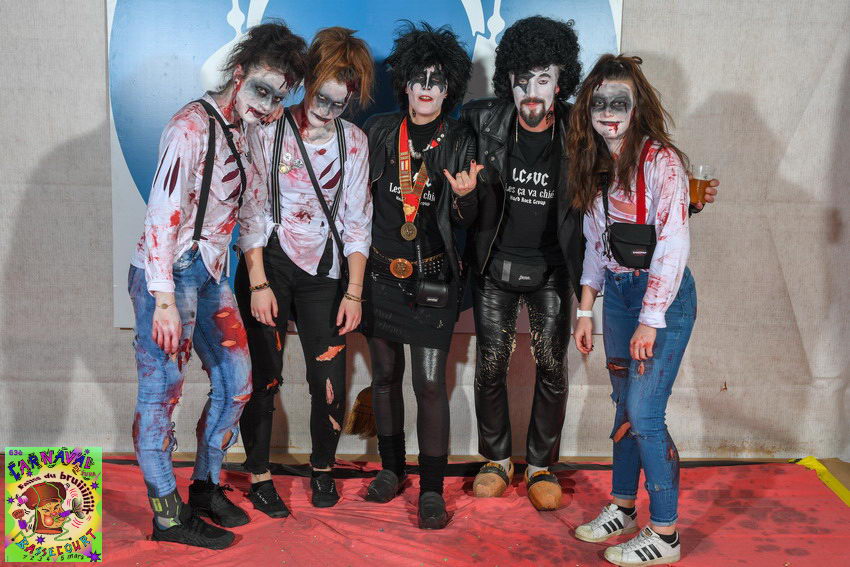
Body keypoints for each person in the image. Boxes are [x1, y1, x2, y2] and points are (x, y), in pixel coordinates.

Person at [128, 22, 306, 549]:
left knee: (237, 382)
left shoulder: (251, 132)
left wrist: (255, 278)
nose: (267, 107)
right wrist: (163, 299)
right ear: (239, 72)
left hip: (209, 273)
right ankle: (167, 516)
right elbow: (162, 214)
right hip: (167, 275)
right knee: (162, 393)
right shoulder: (189, 128)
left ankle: (204, 489)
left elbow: (250, 211)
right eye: (262, 91)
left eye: (279, 98)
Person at [235, 27, 374, 515]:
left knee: (328, 378)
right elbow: (251, 210)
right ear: (308, 83)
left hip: (325, 269)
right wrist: (257, 282)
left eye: (339, 103)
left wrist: (353, 293)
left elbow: (357, 222)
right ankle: (259, 475)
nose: (327, 111)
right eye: (321, 98)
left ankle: (323, 469)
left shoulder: (353, 142)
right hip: (268, 261)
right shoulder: (269, 128)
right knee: (264, 378)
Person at [570, 54, 696, 567]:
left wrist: (651, 318)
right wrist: (585, 309)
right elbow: (595, 242)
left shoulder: (662, 161)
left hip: (660, 299)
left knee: (644, 413)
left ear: (637, 105)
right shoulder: (594, 161)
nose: (608, 112)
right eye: (599, 102)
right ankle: (623, 507)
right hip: (619, 297)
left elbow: (673, 244)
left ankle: (665, 534)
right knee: (623, 407)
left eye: (619, 102)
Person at [357, 22, 481, 529]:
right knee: (384, 378)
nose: (427, 87)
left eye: (437, 80)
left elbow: (467, 223)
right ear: (405, 84)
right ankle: (392, 470)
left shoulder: (461, 138)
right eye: (419, 78)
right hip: (379, 276)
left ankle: (432, 489)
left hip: (433, 280)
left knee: (429, 384)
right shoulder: (379, 130)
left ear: (449, 89)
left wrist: (467, 198)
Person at [460, 15, 583, 511]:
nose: (531, 92)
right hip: (495, 266)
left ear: (561, 82)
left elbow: (621, 180)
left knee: (552, 366)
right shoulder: (481, 121)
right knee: (491, 364)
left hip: (552, 268)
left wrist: (683, 203)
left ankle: (539, 466)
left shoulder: (580, 129)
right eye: (522, 79)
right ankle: (495, 460)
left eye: (543, 79)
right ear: (507, 80)